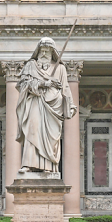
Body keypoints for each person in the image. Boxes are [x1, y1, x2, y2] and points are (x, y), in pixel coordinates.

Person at [16, 37, 76, 174]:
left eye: (47, 51)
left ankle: (48, 167)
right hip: (35, 102)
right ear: (37, 52)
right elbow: (23, 84)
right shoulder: (31, 66)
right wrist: (44, 83)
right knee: (33, 130)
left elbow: (65, 88)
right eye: (42, 51)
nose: (44, 54)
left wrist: (71, 106)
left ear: (52, 53)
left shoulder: (60, 68)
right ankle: (28, 164)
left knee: (50, 138)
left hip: (54, 107)